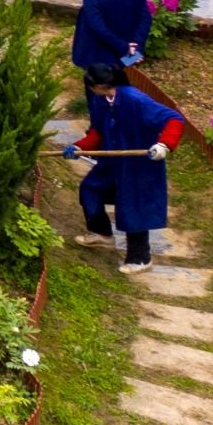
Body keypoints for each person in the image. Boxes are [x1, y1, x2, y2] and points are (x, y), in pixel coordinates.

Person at [65, 62, 184, 272]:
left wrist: (164, 145)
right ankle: (101, 233)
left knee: (133, 207)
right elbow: (98, 132)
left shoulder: (135, 100)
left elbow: (174, 120)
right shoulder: (101, 101)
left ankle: (140, 258)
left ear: (100, 85)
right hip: (111, 161)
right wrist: (78, 147)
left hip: (138, 165)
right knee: (91, 189)